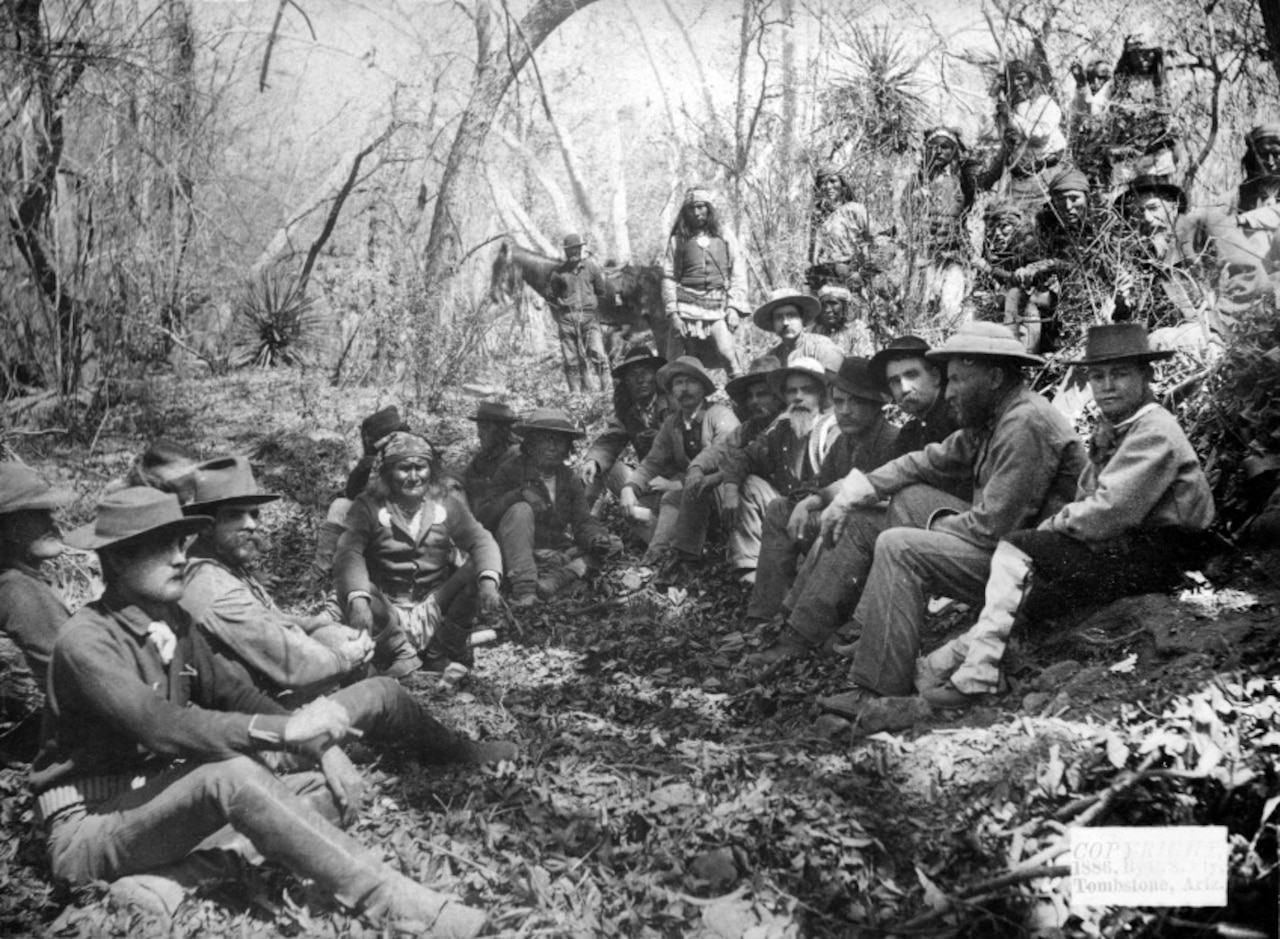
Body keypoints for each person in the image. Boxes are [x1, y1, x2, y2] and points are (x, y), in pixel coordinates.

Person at [31, 487, 486, 935]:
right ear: (118, 560)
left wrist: (318, 746)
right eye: (159, 547)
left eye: (179, 543)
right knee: (233, 776)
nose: (178, 558)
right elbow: (162, 727)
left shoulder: (171, 620)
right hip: (89, 828)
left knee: (318, 785)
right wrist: (286, 729)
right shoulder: (86, 640)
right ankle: (393, 902)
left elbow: (233, 695)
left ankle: (172, 881)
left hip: (152, 805)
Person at [752, 323, 1085, 673]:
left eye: (956, 380)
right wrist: (851, 494)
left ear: (995, 378)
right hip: (1005, 552)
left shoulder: (1024, 423)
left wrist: (932, 525)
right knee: (869, 519)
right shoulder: (992, 419)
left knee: (901, 539)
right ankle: (800, 636)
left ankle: (874, 664)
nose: (949, 391)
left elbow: (993, 527)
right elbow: (924, 460)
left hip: (1036, 569)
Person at [916, 323, 1215, 708]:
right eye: (1097, 376)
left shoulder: (1155, 429)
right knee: (1036, 596)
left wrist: (1049, 530)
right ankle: (942, 664)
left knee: (1017, 547)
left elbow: (1109, 510)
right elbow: (1090, 495)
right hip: (1136, 549)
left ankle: (978, 674)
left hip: (1170, 554)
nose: (1107, 386)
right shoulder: (1119, 427)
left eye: (1121, 374)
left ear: (1146, 376)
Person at [743, 356, 900, 633]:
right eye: (839, 402)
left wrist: (817, 500)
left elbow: (871, 495)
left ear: (877, 406)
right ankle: (765, 614)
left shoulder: (892, 441)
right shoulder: (844, 442)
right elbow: (819, 482)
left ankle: (800, 623)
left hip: (869, 546)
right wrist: (807, 502)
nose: (846, 411)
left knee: (842, 518)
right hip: (837, 533)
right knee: (781, 508)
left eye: (857, 402)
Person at [334, 433, 503, 677]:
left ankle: (440, 649)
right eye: (404, 469)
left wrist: (488, 583)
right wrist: (358, 600)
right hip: (388, 606)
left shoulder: (445, 503)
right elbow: (349, 551)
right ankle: (401, 652)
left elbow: (480, 539)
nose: (414, 477)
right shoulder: (368, 505)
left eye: (420, 468)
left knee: (479, 565)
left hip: (435, 601)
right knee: (353, 587)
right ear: (389, 473)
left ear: (430, 471)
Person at [688, 356, 838, 584]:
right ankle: (750, 569)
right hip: (785, 511)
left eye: (807, 390)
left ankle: (796, 570)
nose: (798, 397)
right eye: (791, 391)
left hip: (818, 514)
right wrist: (729, 487)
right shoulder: (781, 429)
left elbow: (832, 486)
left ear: (821, 395)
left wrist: (805, 504)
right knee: (748, 483)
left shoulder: (831, 430)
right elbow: (744, 456)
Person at [477, 409, 617, 607]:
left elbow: (582, 521)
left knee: (612, 544)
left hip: (553, 550)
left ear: (567, 447)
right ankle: (524, 590)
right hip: (514, 552)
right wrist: (517, 495)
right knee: (521, 510)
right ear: (532, 443)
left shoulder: (568, 479)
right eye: (546, 440)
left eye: (559, 441)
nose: (553, 447)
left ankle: (555, 580)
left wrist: (595, 538)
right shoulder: (511, 470)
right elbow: (483, 517)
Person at [619, 356, 740, 576]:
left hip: (723, 494)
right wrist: (630, 487)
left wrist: (683, 481)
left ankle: (659, 556)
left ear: (703, 387)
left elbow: (725, 453)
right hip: (692, 497)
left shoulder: (720, 415)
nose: (684, 389)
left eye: (691, 382)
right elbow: (652, 461)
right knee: (634, 510)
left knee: (673, 498)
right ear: (671, 390)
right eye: (678, 383)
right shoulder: (672, 424)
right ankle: (672, 546)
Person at [0, 463, 75, 759]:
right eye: (40, 515)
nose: (54, 523)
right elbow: (80, 670)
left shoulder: (15, 584)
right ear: (12, 530)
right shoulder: (19, 592)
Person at [660, 187, 748, 377]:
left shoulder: (724, 235)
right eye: (691, 208)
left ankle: (741, 397)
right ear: (685, 212)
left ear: (709, 208)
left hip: (718, 305)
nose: (696, 213)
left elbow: (738, 270)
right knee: (687, 362)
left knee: (728, 354)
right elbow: (668, 277)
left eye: (701, 207)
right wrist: (674, 313)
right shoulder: (677, 240)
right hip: (686, 307)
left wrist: (733, 307)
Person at [314, 405, 410, 578]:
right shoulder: (378, 457)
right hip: (382, 517)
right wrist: (367, 460)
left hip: (404, 520)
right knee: (340, 506)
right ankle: (321, 572)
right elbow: (352, 493)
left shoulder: (411, 451)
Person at [581, 345, 674, 508]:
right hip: (650, 481)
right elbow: (611, 439)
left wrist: (660, 438)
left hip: (679, 482)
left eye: (645, 372)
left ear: (656, 375)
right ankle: (589, 525)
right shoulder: (629, 413)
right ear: (626, 382)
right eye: (633, 375)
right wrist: (593, 460)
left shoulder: (673, 404)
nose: (640, 380)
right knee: (601, 467)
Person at [1114, 176, 1208, 337]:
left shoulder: (1200, 234)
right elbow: (1133, 319)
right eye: (1139, 212)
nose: (1147, 219)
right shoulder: (1141, 256)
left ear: (1174, 206)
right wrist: (1124, 300)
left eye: (1153, 208)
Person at [901, 126, 976, 326]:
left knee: (950, 307)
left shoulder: (962, 179)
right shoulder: (916, 182)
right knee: (920, 308)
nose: (939, 151)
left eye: (946, 147)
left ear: (953, 151)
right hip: (924, 256)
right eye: (934, 147)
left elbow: (980, 181)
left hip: (953, 254)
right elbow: (906, 217)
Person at [868, 335, 961, 459]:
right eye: (895, 381)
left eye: (911, 375)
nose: (904, 388)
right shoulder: (911, 432)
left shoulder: (958, 418)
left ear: (935, 377)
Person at [992, 60, 1067, 209]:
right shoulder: (1016, 107)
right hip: (1020, 179)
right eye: (1012, 80)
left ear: (1032, 79)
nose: (1016, 84)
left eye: (1021, 78)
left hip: (1046, 175)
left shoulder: (1046, 104)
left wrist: (1011, 118)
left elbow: (1039, 135)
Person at [548, 233, 610, 392]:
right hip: (567, 319)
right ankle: (576, 395)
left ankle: (607, 392)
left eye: (576, 249)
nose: (574, 253)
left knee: (598, 354)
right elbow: (551, 297)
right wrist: (562, 314)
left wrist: (595, 311)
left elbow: (602, 292)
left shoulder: (591, 268)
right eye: (570, 250)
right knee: (571, 360)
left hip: (589, 318)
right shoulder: (558, 273)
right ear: (565, 252)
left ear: (581, 249)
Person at [807, 164, 878, 293]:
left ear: (842, 183)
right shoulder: (817, 217)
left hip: (849, 280)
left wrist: (863, 274)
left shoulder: (855, 209)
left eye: (832, 181)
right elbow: (812, 255)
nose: (828, 187)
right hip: (823, 284)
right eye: (823, 183)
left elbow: (878, 240)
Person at [752, 289, 844, 372]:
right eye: (779, 318)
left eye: (791, 316)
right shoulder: (772, 357)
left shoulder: (822, 347)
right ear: (772, 323)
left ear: (802, 319)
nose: (785, 322)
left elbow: (835, 383)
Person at [457, 401, 522, 507]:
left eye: (486, 428)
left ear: (501, 430)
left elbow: (498, 488)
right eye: (479, 427)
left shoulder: (517, 455)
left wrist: (476, 484)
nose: (479, 434)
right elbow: (463, 479)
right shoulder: (484, 457)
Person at [813, 284, 873, 355]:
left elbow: (861, 360)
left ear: (844, 307)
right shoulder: (818, 329)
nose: (827, 310)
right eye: (823, 305)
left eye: (833, 304)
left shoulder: (857, 329)